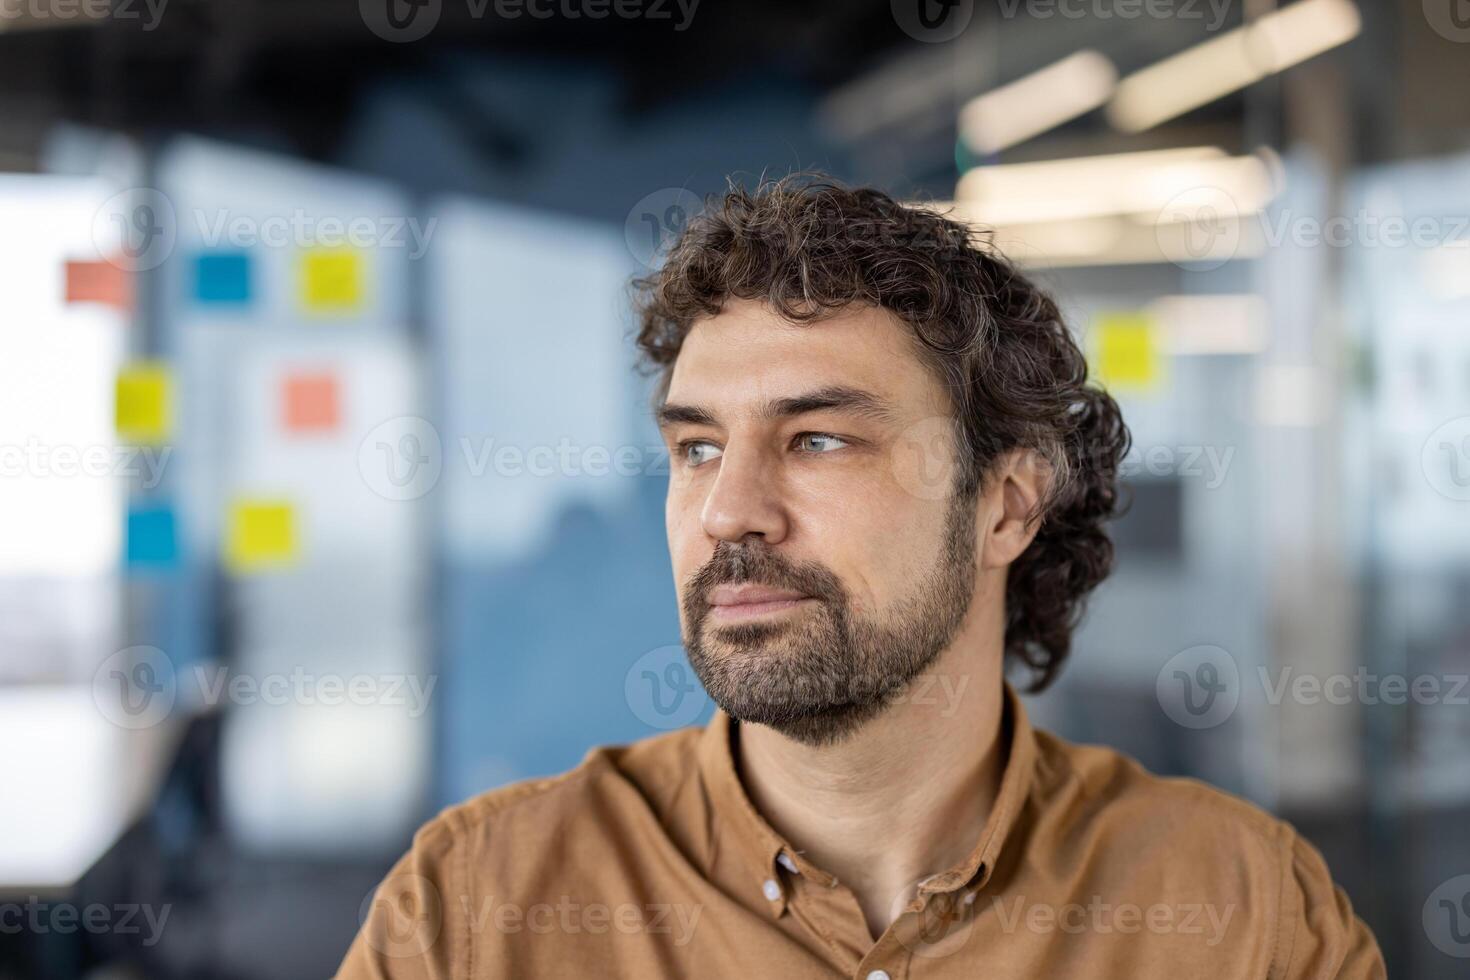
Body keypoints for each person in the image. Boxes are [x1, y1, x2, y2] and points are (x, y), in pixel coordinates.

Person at [334, 175, 1384, 979]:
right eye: (698, 447)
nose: (729, 508)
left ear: (1007, 503)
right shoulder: (474, 913)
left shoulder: (1243, 911)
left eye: (819, 439)